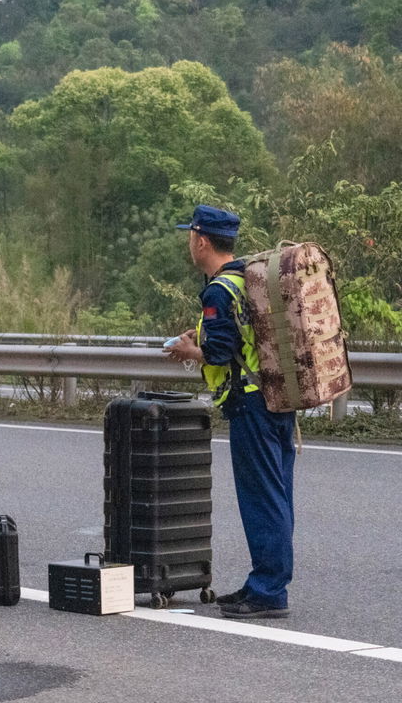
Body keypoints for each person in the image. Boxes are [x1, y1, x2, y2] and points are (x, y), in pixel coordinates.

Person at [164, 204, 296, 620]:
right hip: (278, 398)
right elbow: (242, 338)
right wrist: (201, 333)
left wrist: (190, 351)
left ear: (201, 240)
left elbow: (220, 352)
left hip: (251, 404)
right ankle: (265, 582)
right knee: (278, 496)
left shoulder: (220, 290)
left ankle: (269, 591)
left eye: (190, 235)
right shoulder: (247, 278)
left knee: (262, 500)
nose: (190, 242)